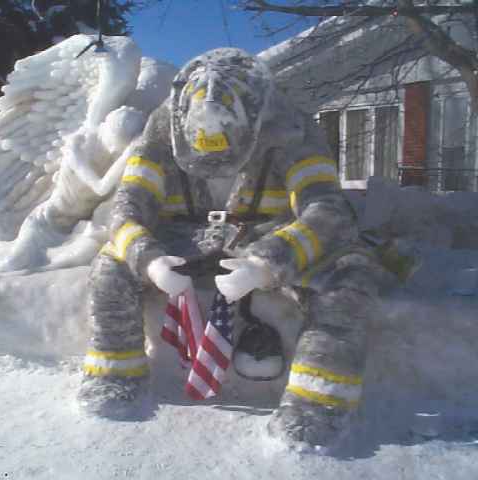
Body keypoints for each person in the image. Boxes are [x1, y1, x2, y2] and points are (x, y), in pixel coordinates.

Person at [77, 47, 385, 449]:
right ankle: (114, 375)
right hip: (182, 237)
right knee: (111, 266)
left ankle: (319, 403)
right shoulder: (160, 130)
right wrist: (150, 261)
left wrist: (266, 263)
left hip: (269, 234)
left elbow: (328, 211)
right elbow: (125, 211)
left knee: (349, 274)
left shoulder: (292, 130)